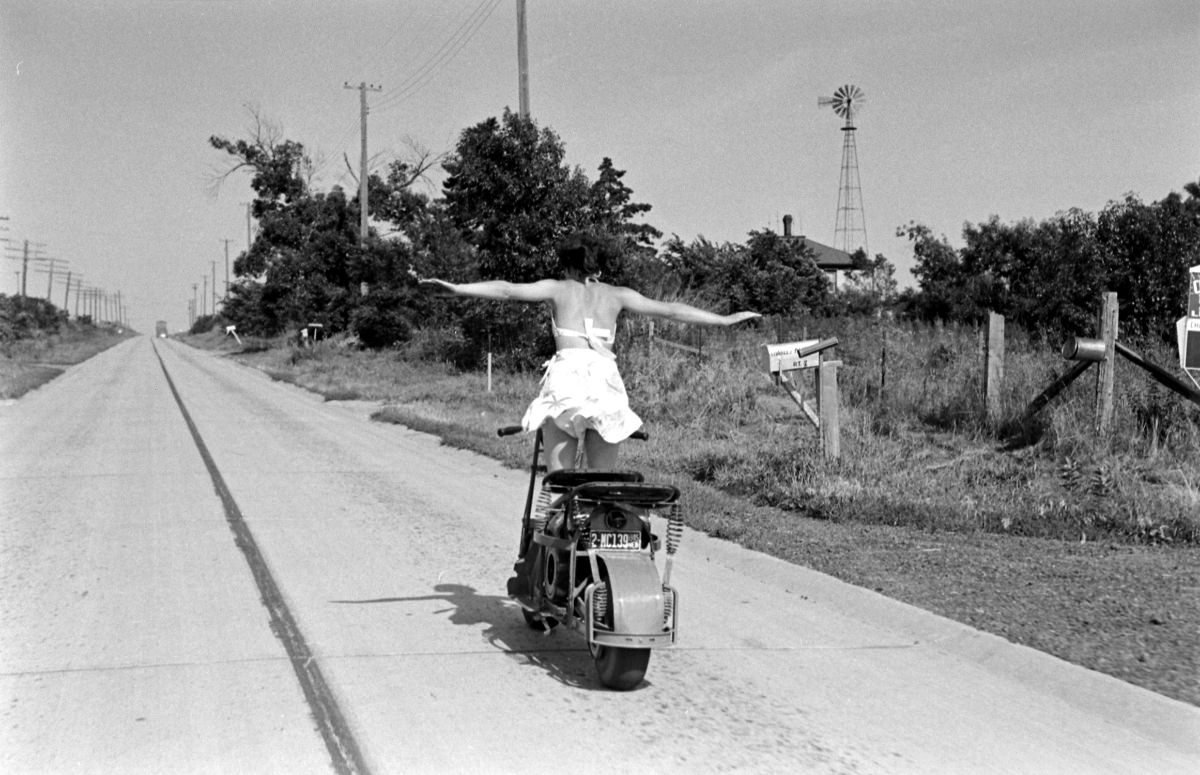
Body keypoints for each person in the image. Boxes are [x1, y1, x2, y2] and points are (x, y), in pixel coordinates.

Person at [420, 235, 759, 472]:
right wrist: (724, 320)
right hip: (604, 383)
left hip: (566, 382)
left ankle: (560, 540)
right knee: (600, 482)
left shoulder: (557, 288)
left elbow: (508, 290)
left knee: (560, 482)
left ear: (567, 266)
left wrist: (457, 288)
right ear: (597, 268)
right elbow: (671, 310)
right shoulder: (618, 294)